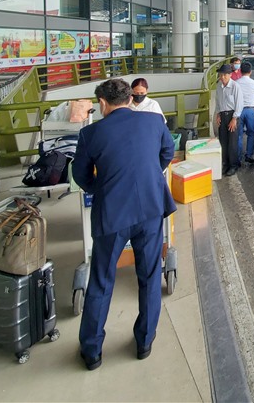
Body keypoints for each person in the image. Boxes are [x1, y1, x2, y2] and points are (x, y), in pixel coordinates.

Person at [72, 78, 176, 371]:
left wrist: (100, 187)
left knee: (102, 280)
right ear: (131, 99)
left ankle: (92, 351)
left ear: (103, 103)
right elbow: (167, 153)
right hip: (151, 211)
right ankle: (144, 342)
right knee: (150, 276)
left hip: (112, 215)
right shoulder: (155, 122)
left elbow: (80, 175)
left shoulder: (91, 133)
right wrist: (149, 174)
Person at [214, 63, 241, 176]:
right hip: (223, 115)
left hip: (232, 116)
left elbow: (239, 104)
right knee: (223, 141)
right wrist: (218, 114)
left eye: (225, 75)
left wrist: (234, 119)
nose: (222, 77)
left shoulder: (235, 86)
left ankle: (233, 166)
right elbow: (218, 102)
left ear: (230, 75)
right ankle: (225, 164)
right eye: (221, 75)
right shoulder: (219, 87)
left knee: (232, 143)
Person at [235, 62, 254, 165]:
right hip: (250, 110)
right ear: (250, 72)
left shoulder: (236, 83)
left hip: (239, 110)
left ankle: (238, 158)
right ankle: (249, 155)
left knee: (239, 135)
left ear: (240, 71)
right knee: (251, 133)